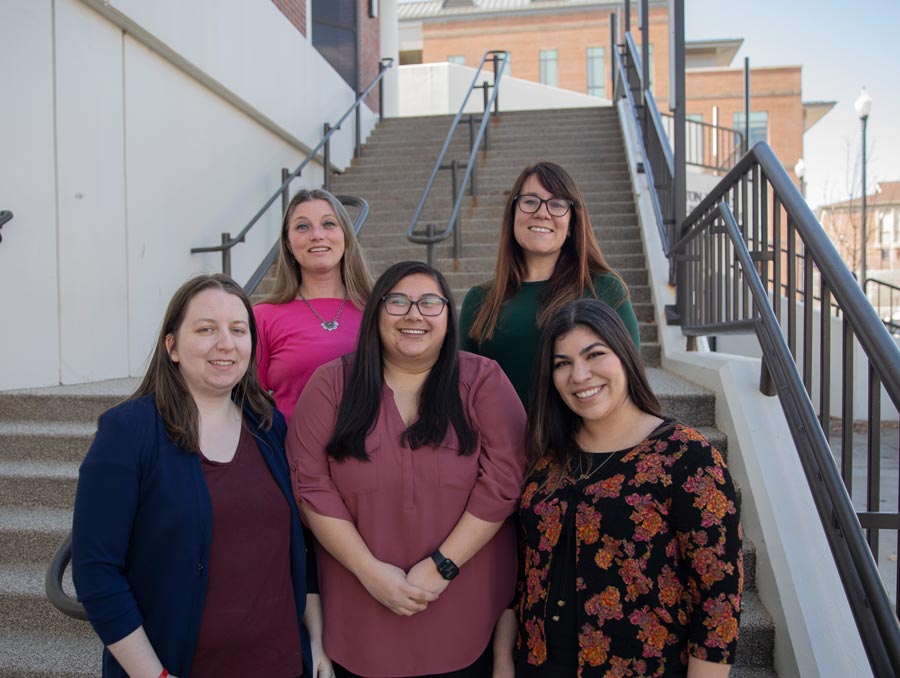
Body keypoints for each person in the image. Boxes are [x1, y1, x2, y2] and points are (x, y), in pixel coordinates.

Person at [72, 274, 327, 678]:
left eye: (238, 330)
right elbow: (96, 571)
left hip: (281, 663)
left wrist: (316, 644)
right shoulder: (129, 432)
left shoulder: (269, 427)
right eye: (206, 329)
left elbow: (301, 547)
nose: (225, 343)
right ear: (172, 346)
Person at [288, 261, 527, 678]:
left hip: (464, 615)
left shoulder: (483, 380)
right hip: (360, 616)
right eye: (397, 301)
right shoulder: (330, 386)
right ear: (376, 313)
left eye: (430, 302)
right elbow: (310, 484)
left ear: (448, 317)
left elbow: (505, 480)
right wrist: (370, 572)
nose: (414, 314)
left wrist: (442, 566)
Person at [496, 299, 742, 678]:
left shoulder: (686, 456)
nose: (579, 375)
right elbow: (523, 572)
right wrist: (503, 663)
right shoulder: (547, 459)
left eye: (594, 355)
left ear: (625, 355)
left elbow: (718, 600)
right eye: (562, 363)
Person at [459, 161, 640, 407]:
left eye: (557, 204)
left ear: (571, 224)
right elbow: (463, 392)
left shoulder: (604, 290)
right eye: (530, 201)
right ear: (513, 214)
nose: (542, 213)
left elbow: (631, 383)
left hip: (584, 443)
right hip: (501, 443)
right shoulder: (480, 300)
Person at [255, 188, 373, 420]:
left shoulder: (378, 311)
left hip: (371, 452)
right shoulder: (262, 317)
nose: (317, 235)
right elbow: (250, 404)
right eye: (302, 226)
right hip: (291, 452)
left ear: (346, 236)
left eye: (328, 224)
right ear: (288, 243)